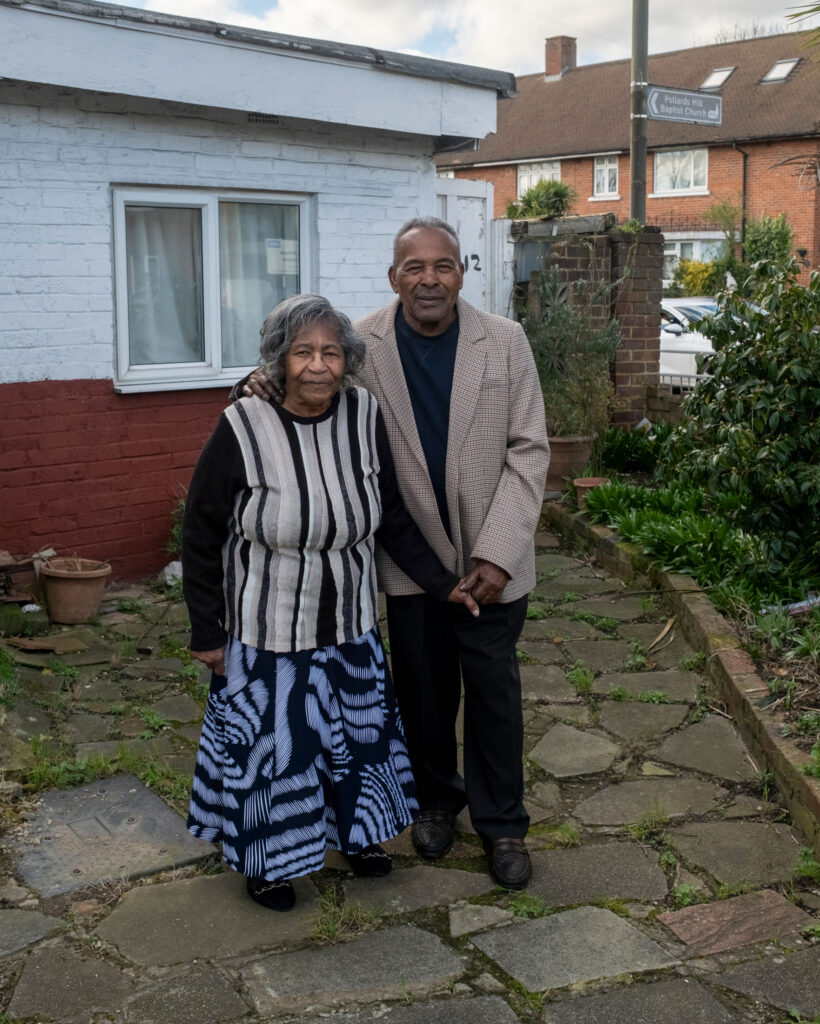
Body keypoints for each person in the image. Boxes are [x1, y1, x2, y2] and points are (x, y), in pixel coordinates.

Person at [241, 218, 549, 889]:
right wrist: (259, 382)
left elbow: (529, 450)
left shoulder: (505, 341)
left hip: (493, 564)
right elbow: (308, 375)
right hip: (411, 561)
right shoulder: (362, 345)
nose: (428, 279)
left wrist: (499, 554)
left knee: (494, 695)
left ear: (461, 273)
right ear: (394, 277)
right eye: (414, 267)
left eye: (442, 266)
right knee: (423, 692)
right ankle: (436, 802)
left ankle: (503, 825)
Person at [182, 293, 479, 912]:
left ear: (347, 361)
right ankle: (267, 865)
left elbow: (390, 515)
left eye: (331, 353)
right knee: (274, 756)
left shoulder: (364, 414)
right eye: (303, 353)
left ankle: (359, 836)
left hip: (349, 624)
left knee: (357, 745)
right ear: (279, 361)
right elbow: (201, 532)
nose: (318, 366)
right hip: (268, 631)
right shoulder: (243, 425)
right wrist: (207, 632)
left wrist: (442, 582)